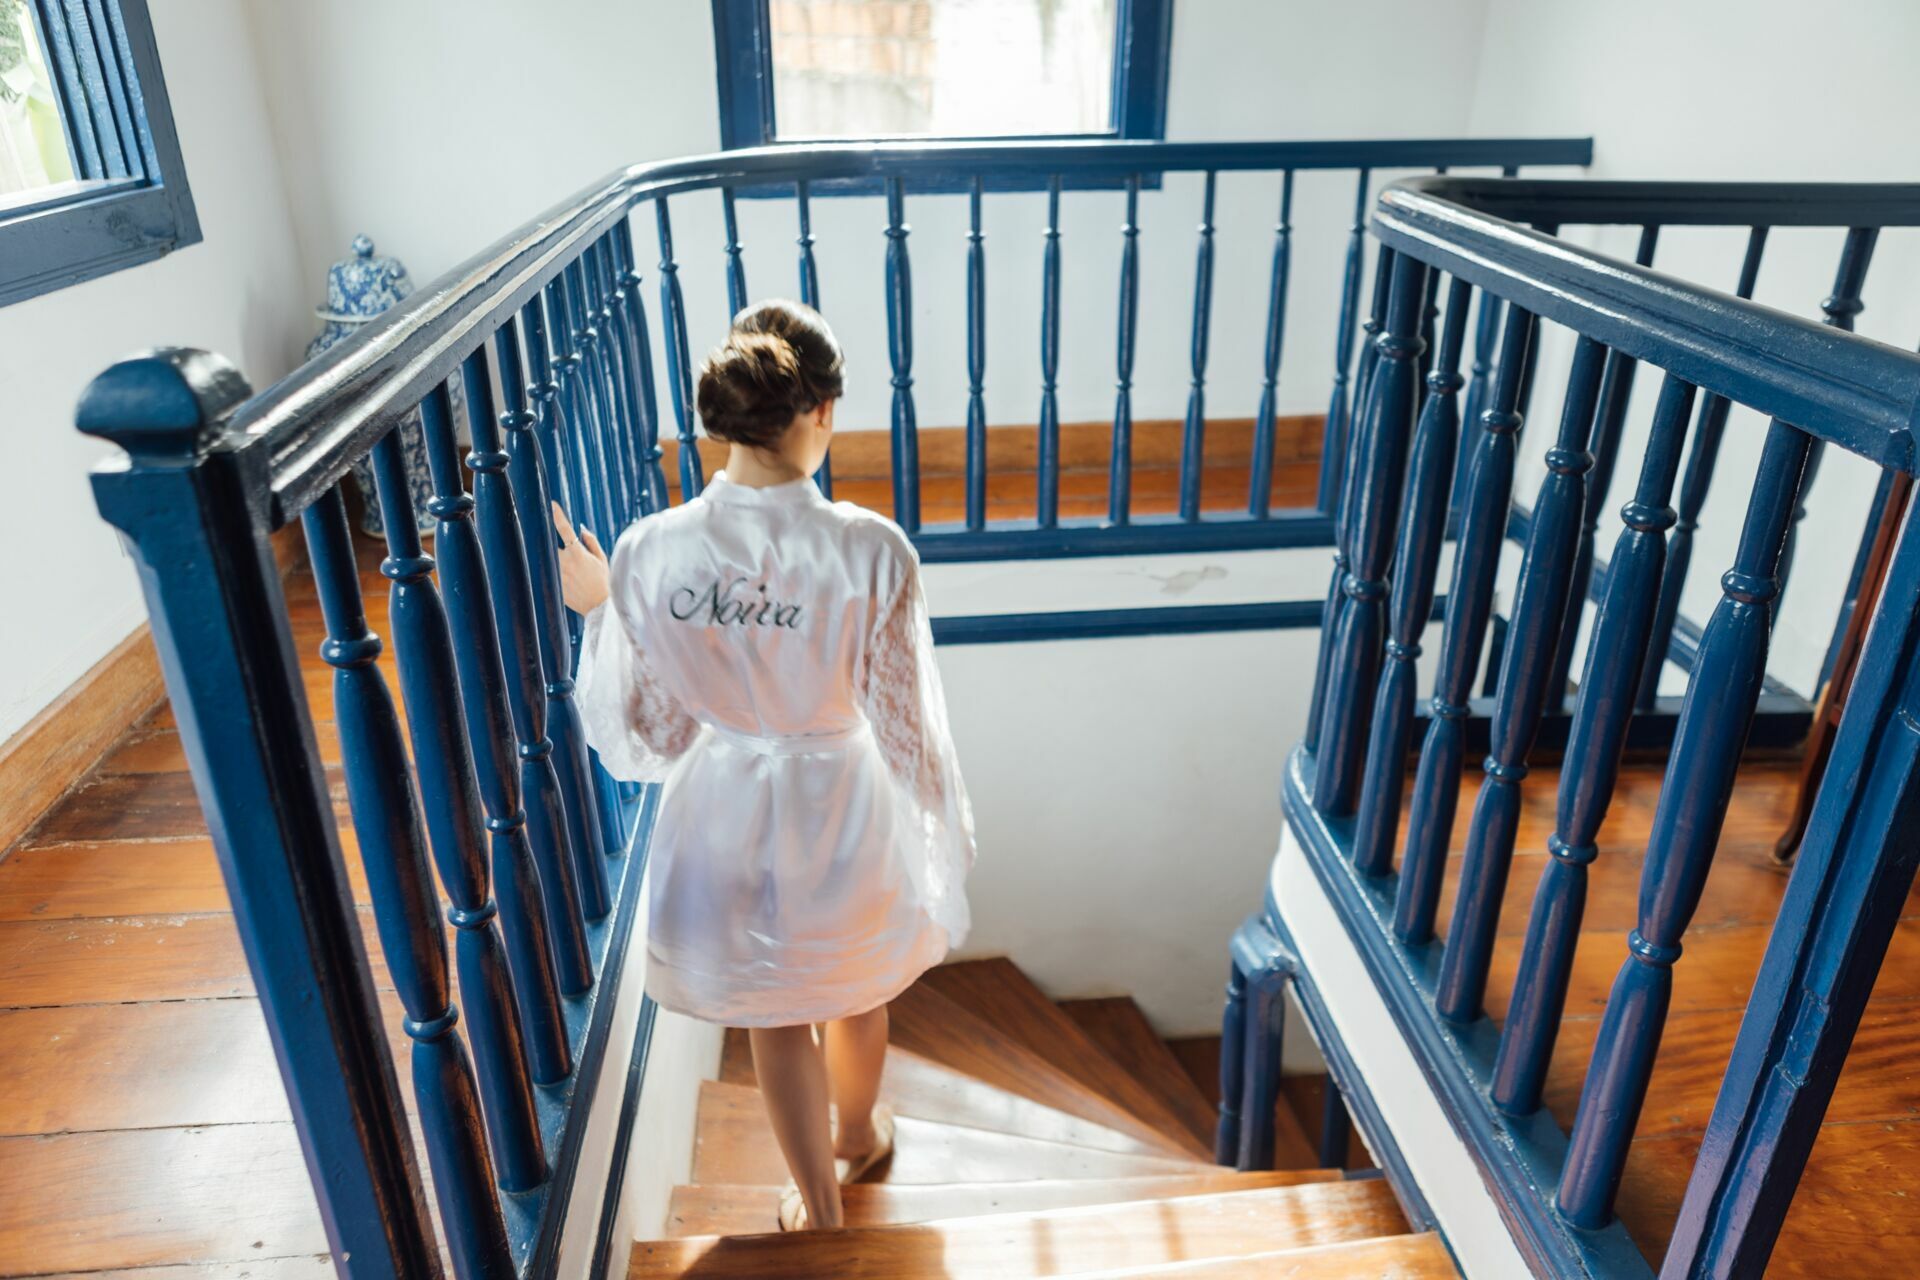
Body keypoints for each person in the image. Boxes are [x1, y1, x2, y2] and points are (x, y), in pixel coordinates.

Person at [552, 298, 975, 1232]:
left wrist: (603, 611)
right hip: (845, 807)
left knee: (776, 1016)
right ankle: (859, 1135)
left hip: (726, 810)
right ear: (818, 412)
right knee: (854, 990)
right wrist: (938, 828)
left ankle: (821, 1210)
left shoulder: (649, 553)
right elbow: (904, 725)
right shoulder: (871, 550)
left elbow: (653, 735)